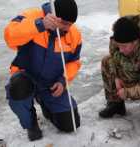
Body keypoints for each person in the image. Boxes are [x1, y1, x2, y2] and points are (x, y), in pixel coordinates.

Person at [4, 0, 82, 141]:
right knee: (18, 88)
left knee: (70, 124)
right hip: (26, 77)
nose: (68, 28)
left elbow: (74, 62)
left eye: (71, 24)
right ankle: (31, 123)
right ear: (54, 16)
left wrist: (63, 81)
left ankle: (44, 102)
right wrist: (39, 25)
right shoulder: (31, 16)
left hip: (51, 83)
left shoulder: (74, 34)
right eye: (65, 23)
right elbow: (10, 37)